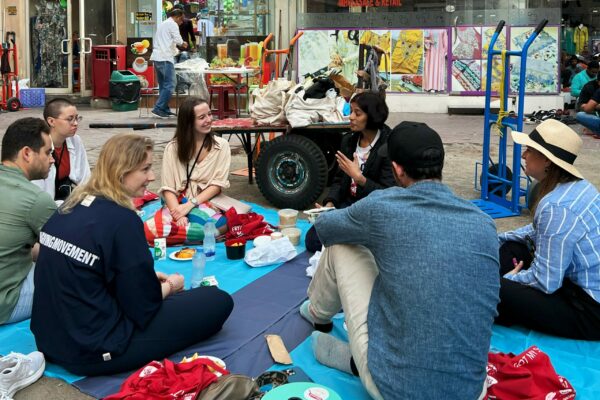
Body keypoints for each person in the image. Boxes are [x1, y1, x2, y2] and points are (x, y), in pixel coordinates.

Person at [300, 121, 499, 399]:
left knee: (341, 245)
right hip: (470, 389)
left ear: (397, 169)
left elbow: (325, 230)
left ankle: (319, 315)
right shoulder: (485, 223)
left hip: (395, 389)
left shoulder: (383, 206)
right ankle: (361, 360)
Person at [30, 134, 234, 376]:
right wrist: (170, 285)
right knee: (216, 300)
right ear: (121, 171)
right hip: (93, 350)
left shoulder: (69, 205)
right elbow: (143, 306)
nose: (152, 176)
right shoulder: (122, 220)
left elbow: (91, 269)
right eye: (145, 169)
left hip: (49, 339)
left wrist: (142, 276)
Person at [496, 119, 600, 340]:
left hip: (589, 310)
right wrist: (498, 238)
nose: (523, 156)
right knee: (510, 247)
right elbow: (537, 231)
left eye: (529, 151)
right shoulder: (579, 188)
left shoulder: (555, 206)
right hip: (576, 283)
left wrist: (510, 280)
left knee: (491, 288)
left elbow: (546, 282)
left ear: (547, 161)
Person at [305, 92, 394, 252]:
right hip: (348, 206)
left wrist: (360, 179)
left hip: (371, 211)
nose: (351, 117)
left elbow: (388, 194)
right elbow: (339, 180)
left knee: (367, 244)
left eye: (357, 113)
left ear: (372, 116)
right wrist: (330, 204)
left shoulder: (388, 145)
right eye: (351, 111)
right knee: (312, 240)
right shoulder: (349, 141)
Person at [0, 118, 56, 325]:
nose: (52, 160)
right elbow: (71, 252)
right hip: (6, 302)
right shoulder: (35, 199)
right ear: (27, 153)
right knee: (77, 276)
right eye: (48, 153)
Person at [159, 97, 231, 230]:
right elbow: (168, 188)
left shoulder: (222, 146)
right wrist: (179, 215)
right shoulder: (172, 148)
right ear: (188, 122)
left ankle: (190, 231)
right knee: (153, 229)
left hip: (206, 202)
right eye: (202, 117)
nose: (209, 120)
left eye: (209, 114)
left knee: (219, 226)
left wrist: (190, 205)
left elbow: (217, 185)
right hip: (177, 202)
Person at [32, 98, 91, 202]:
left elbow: (85, 178)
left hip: (70, 200)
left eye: (77, 118)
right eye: (70, 119)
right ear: (51, 121)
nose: (75, 123)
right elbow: (38, 192)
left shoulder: (75, 140)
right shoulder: (38, 146)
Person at [150, 8, 188, 119]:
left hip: (158, 57)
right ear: (177, 17)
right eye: (181, 19)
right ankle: (158, 108)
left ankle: (164, 109)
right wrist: (184, 43)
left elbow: (167, 41)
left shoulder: (163, 24)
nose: (181, 22)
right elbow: (178, 40)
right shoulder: (172, 24)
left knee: (163, 85)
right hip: (165, 58)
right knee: (171, 84)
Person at [575, 72, 600, 138]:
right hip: (594, 110)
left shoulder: (599, 91)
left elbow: (587, 109)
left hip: (593, 109)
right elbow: (582, 105)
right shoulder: (589, 86)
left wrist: (595, 106)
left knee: (579, 115)